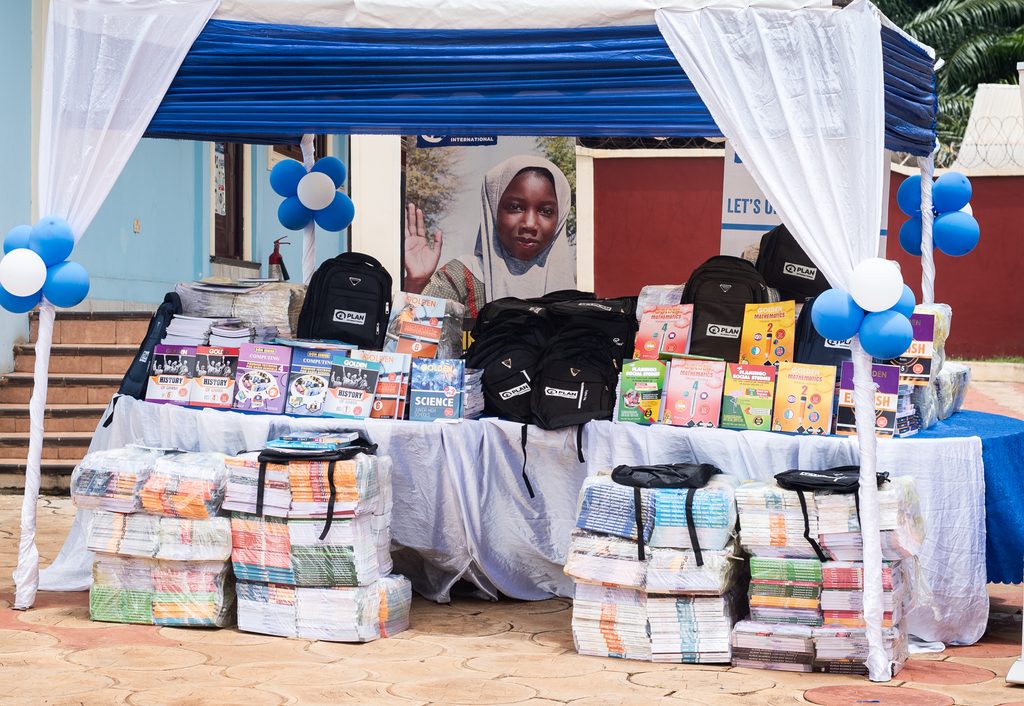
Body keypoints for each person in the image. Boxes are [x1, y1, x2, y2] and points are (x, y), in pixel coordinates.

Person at [404, 154, 575, 318]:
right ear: (493, 209)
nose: (529, 224)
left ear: (559, 218)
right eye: (515, 207)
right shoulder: (463, 277)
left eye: (546, 211)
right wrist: (416, 284)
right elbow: (414, 345)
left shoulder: (569, 291)